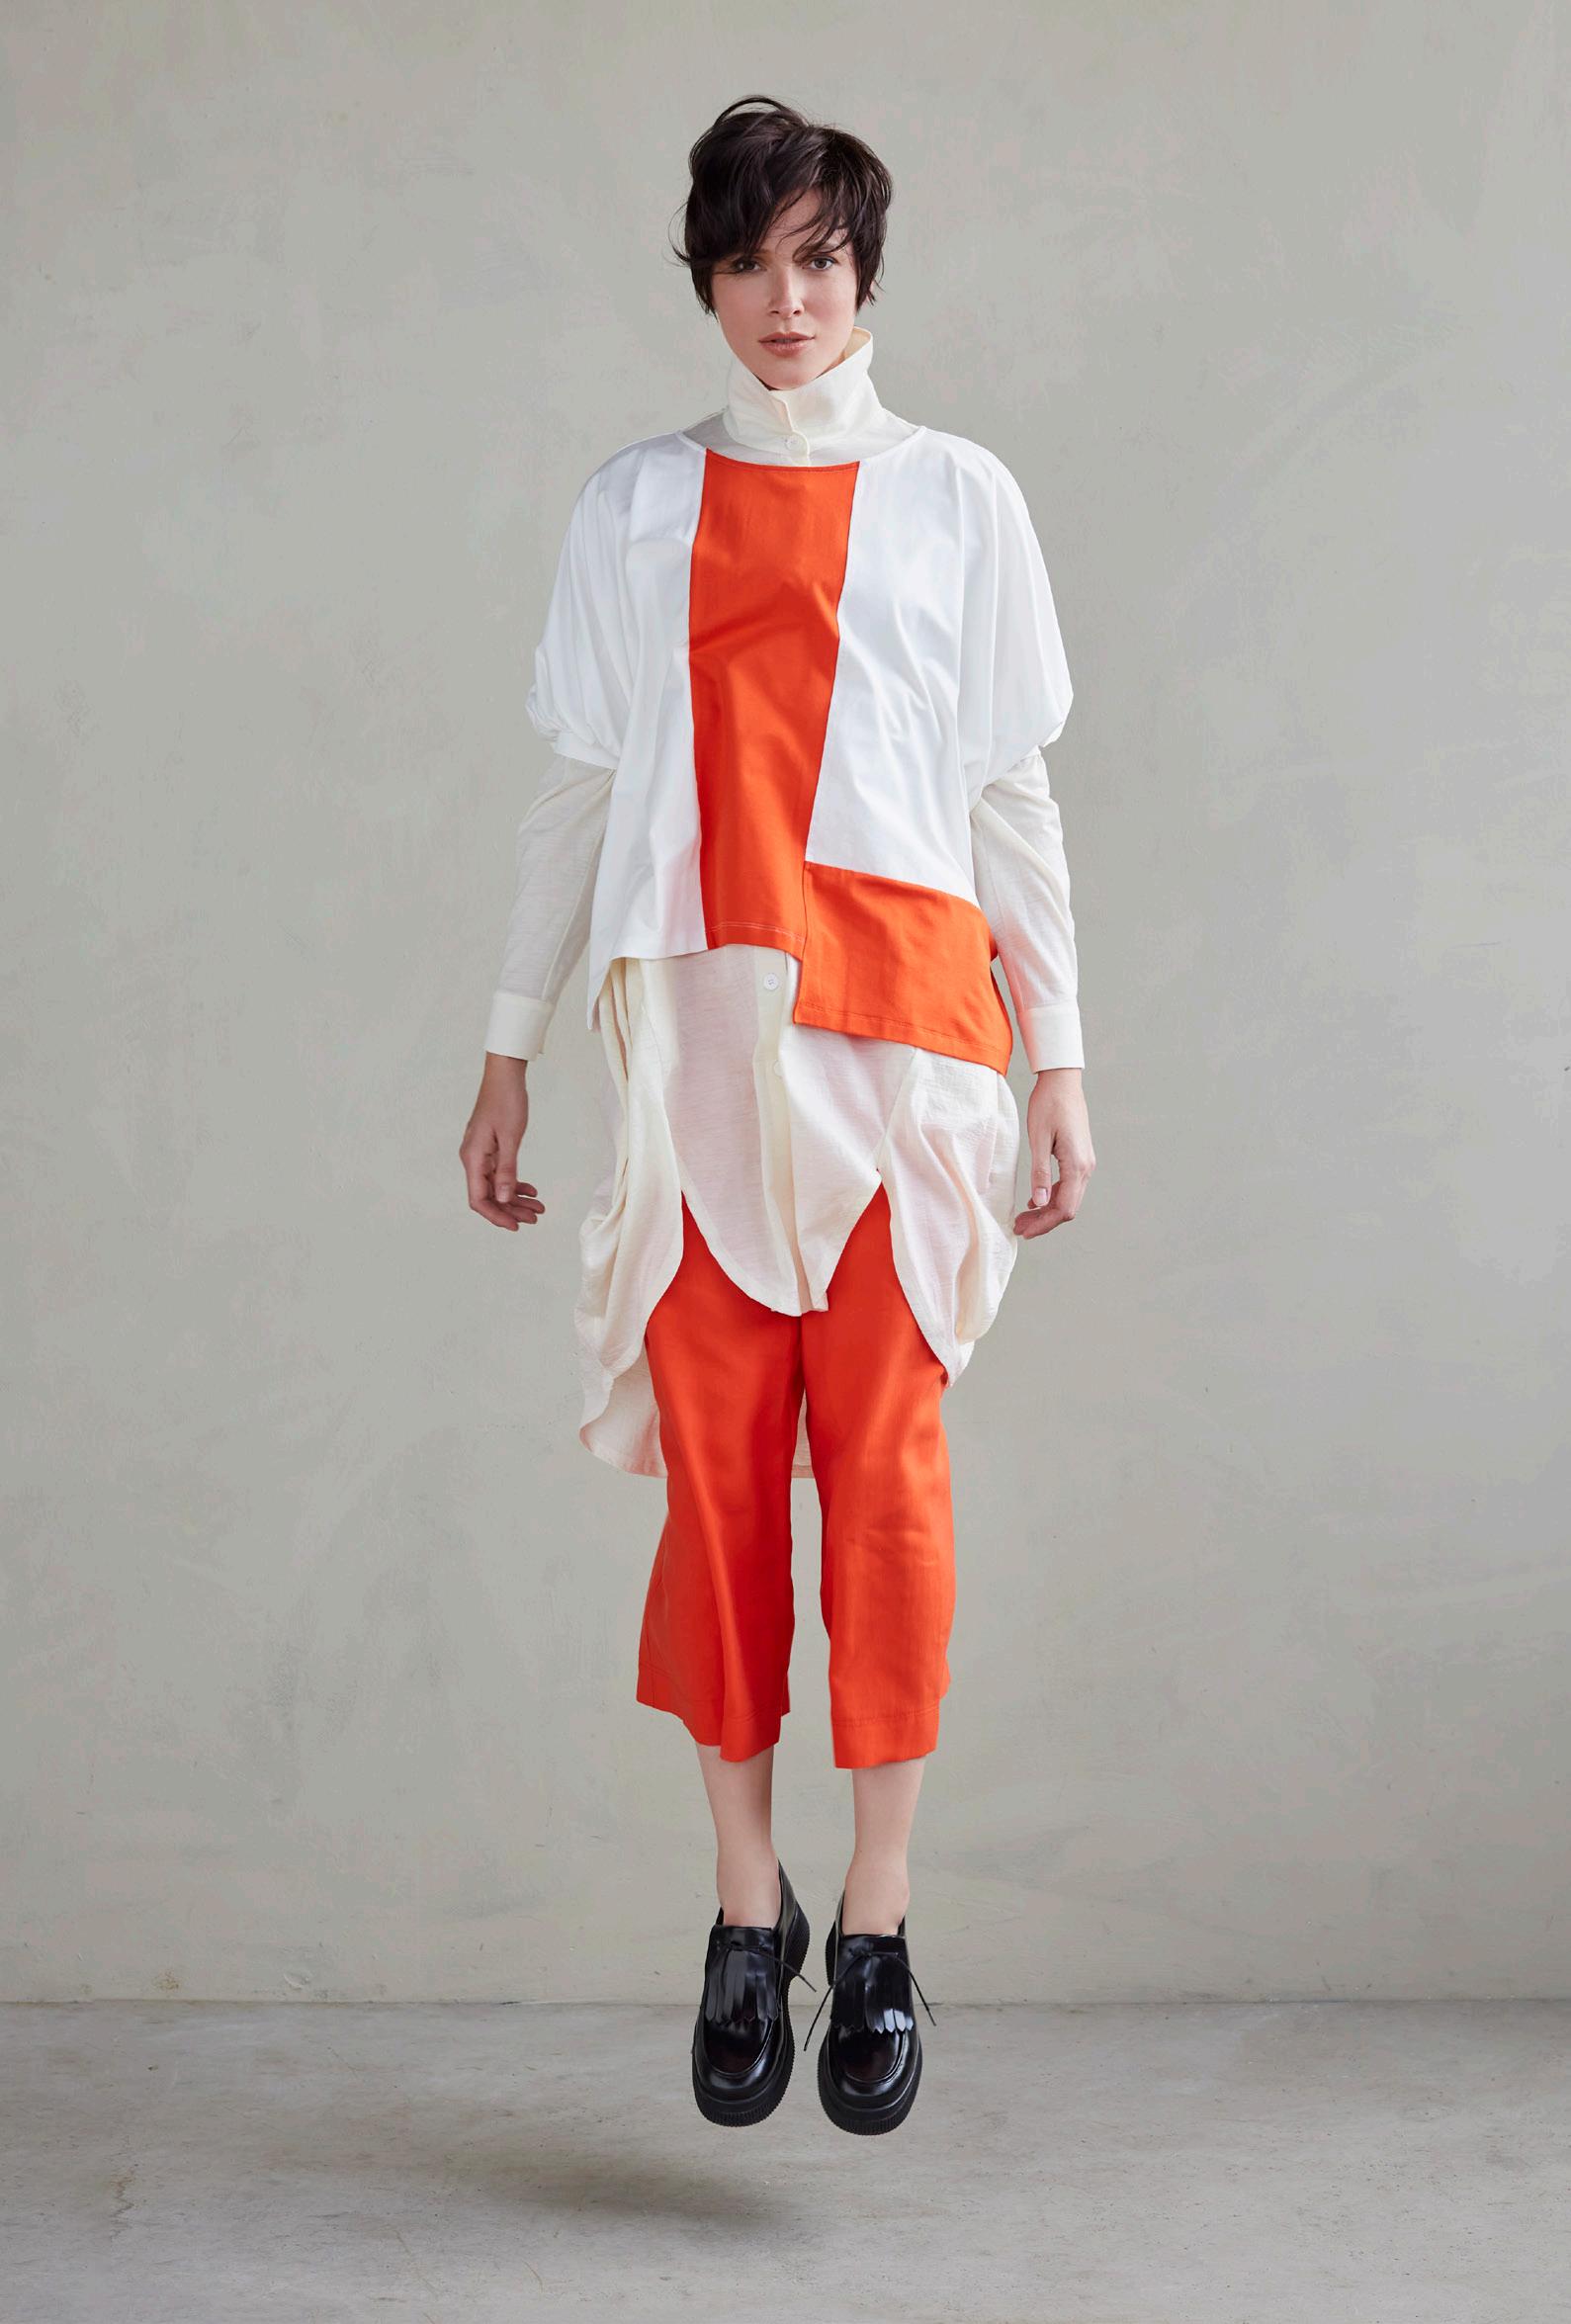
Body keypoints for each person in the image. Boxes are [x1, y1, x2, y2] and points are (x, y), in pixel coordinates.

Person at [461, 95, 1095, 2135]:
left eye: (815, 258)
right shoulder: (634, 507)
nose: (784, 299)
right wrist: (506, 1040)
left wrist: (1061, 1060)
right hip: (697, 1063)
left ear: (863, 272)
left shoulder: (959, 499)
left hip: (906, 1055)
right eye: (746, 263)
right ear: (707, 283)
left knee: (884, 1492)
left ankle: (880, 1919)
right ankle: (749, 1908)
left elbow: (1006, 793)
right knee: (722, 1498)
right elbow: (580, 785)